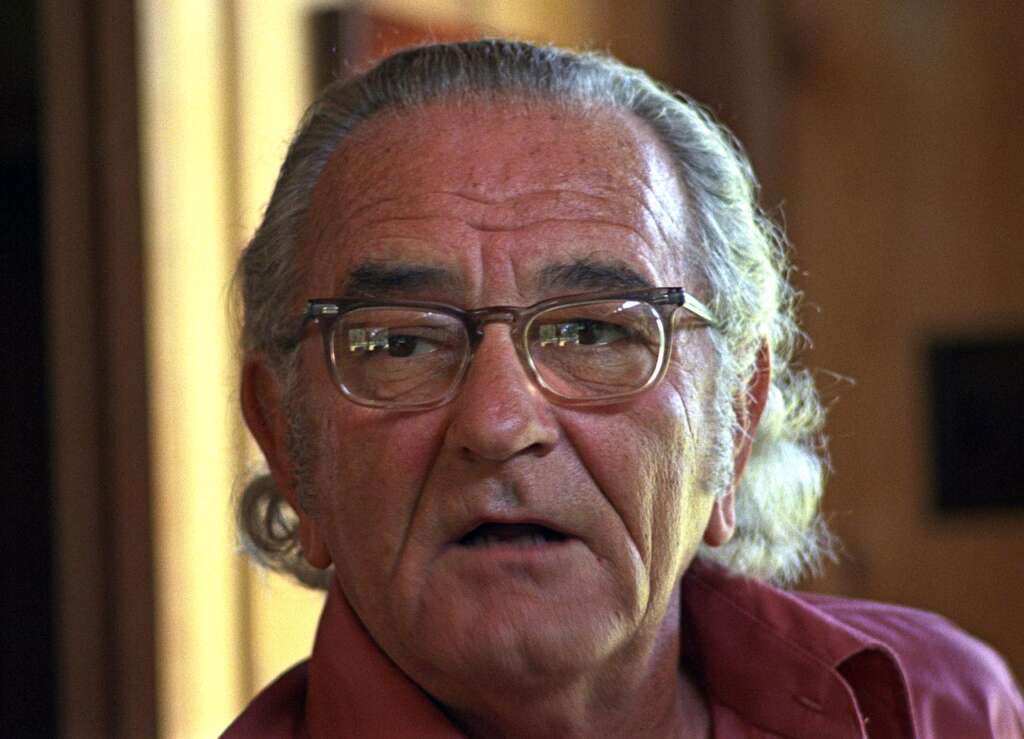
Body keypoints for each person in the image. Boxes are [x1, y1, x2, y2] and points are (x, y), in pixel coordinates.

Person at [224, 40, 1023, 738]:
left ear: (734, 418)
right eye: (399, 342)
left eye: (595, 333)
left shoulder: (936, 707)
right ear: (286, 439)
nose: (499, 420)